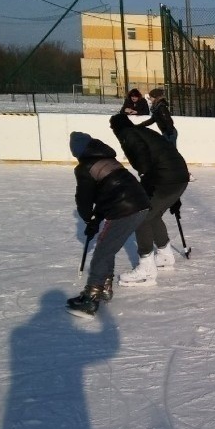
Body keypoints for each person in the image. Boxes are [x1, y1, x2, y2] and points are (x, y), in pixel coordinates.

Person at [67, 132, 150, 316]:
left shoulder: (84, 167)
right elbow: (108, 193)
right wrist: (95, 220)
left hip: (125, 208)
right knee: (107, 247)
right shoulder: (108, 159)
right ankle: (104, 287)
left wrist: (88, 218)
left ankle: (91, 297)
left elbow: (85, 199)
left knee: (103, 251)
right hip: (140, 204)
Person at [109, 113, 189, 287]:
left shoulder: (128, 134)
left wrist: (146, 180)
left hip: (165, 178)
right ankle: (165, 255)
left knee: (141, 216)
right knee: (154, 214)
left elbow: (142, 159)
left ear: (116, 128)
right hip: (178, 176)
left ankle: (146, 270)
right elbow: (166, 152)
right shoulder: (142, 131)